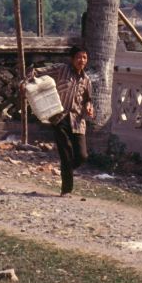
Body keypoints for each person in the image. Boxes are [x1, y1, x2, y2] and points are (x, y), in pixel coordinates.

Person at [45, 44, 95, 196]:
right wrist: (28, 79)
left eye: (84, 57)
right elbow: (42, 71)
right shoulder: (61, 70)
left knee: (82, 156)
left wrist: (89, 107)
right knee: (66, 152)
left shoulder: (86, 80)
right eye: (79, 57)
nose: (82, 60)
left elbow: (88, 99)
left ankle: (66, 170)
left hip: (77, 121)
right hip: (60, 118)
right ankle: (66, 189)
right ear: (72, 59)